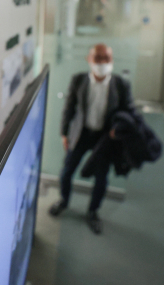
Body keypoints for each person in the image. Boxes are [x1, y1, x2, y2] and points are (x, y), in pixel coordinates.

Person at [48, 43, 135, 234]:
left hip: (105, 138)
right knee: (67, 171)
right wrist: (64, 133)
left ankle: (93, 212)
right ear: (89, 59)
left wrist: (119, 130)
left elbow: (129, 112)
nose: (102, 63)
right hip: (81, 134)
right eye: (97, 58)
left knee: (101, 177)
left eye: (106, 58)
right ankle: (64, 201)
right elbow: (69, 108)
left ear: (112, 60)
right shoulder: (78, 80)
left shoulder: (121, 85)